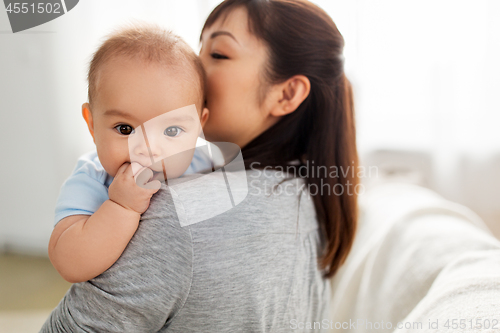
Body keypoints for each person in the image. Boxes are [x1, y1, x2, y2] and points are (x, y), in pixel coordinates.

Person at [40, 0, 358, 331]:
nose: (194, 67)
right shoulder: (305, 192)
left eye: (218, 54)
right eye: (125, 129)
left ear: (287, 93)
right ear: (91, 124)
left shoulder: (184, 210)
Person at [49, 24, 211, 283]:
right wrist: (121, 207)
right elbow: (69, 264)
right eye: (125, 129)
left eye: (171, 130)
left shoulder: (207, 166)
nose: (147, 149)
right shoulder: (93, 180)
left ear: (199, 127)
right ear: (92, 124)